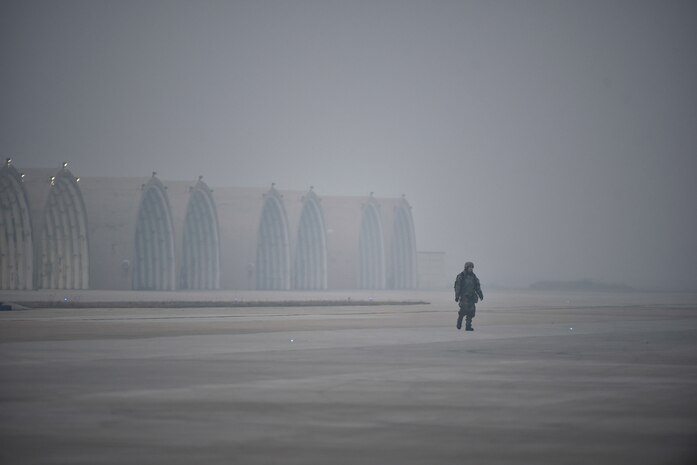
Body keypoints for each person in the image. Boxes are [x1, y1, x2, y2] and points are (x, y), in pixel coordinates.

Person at [454, 261, 483, 331]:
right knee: (464, 310)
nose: (471, 269)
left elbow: (477, 286)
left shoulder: (473, 277)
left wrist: (480, 294)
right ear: (466, 268)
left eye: (472, 268)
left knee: (471, 311)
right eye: (470, 267)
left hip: (472, 296)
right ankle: (460, 320)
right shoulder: (461, 276)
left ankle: (468, 326)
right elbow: (457, 286)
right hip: (464, 296)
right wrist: (457, 296)